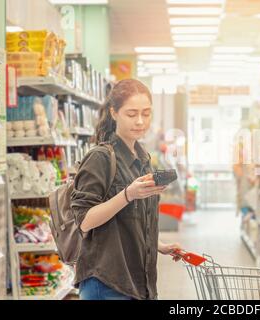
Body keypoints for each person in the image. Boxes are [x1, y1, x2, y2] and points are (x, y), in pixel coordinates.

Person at [70, 79, 182, 300]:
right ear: (114, 113)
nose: (140, 121)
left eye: (146, 113)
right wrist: (127, 195)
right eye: (131, 114)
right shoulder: (99, 158)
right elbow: (84, 220)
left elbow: (129, 220)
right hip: (108, 283)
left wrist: (158, 245)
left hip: (139, 282)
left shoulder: (142, 159)